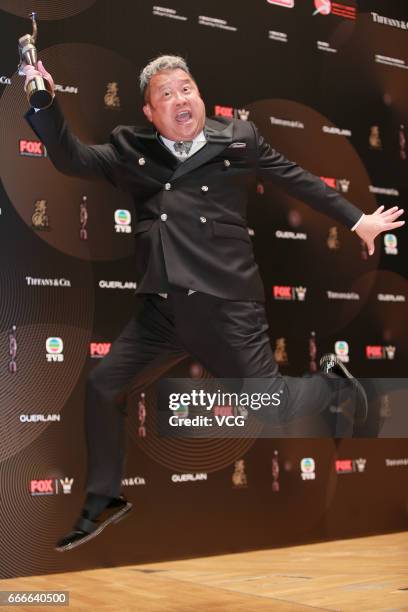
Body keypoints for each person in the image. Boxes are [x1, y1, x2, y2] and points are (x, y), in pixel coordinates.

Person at [22, 55, 404, 552]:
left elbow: (298, 178)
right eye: (167, 94)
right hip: (162, 311)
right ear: (150, 111)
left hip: (227, 308)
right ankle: (103, 498)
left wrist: (357, 220)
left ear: (199, 96)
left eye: (187, 89)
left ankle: (331, 386)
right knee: (103, 385)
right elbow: (69, 157)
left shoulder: (238, 139)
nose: (181, 99)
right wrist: (45, 102)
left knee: (274, 405)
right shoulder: (128, 150)